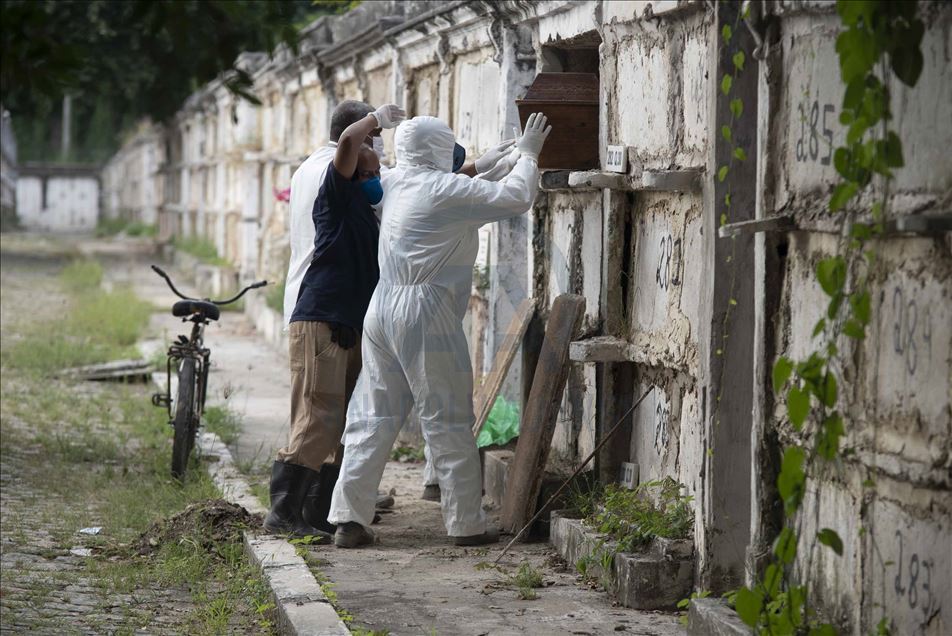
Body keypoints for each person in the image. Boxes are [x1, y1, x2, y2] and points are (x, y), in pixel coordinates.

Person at [328, 113, 552, 548]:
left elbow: (465, 188)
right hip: (424, 312)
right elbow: (517, 197)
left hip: (383, 307)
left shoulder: (394, 182)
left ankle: (348, 519)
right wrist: (527, 156)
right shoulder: (445, 190)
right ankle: (465, 523)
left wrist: (490, 163)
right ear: (438, 151)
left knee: (372, 416)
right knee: (447, 416)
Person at [264, 101, 406, 538]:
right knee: (318, 413)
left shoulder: (357, 199)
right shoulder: (334, 183)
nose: (375, 178)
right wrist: (374, 121)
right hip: (322, 312)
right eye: (369, 166)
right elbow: (348, 144)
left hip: (346, 316)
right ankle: (283, 512)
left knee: (338, 415)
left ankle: (317, 510)